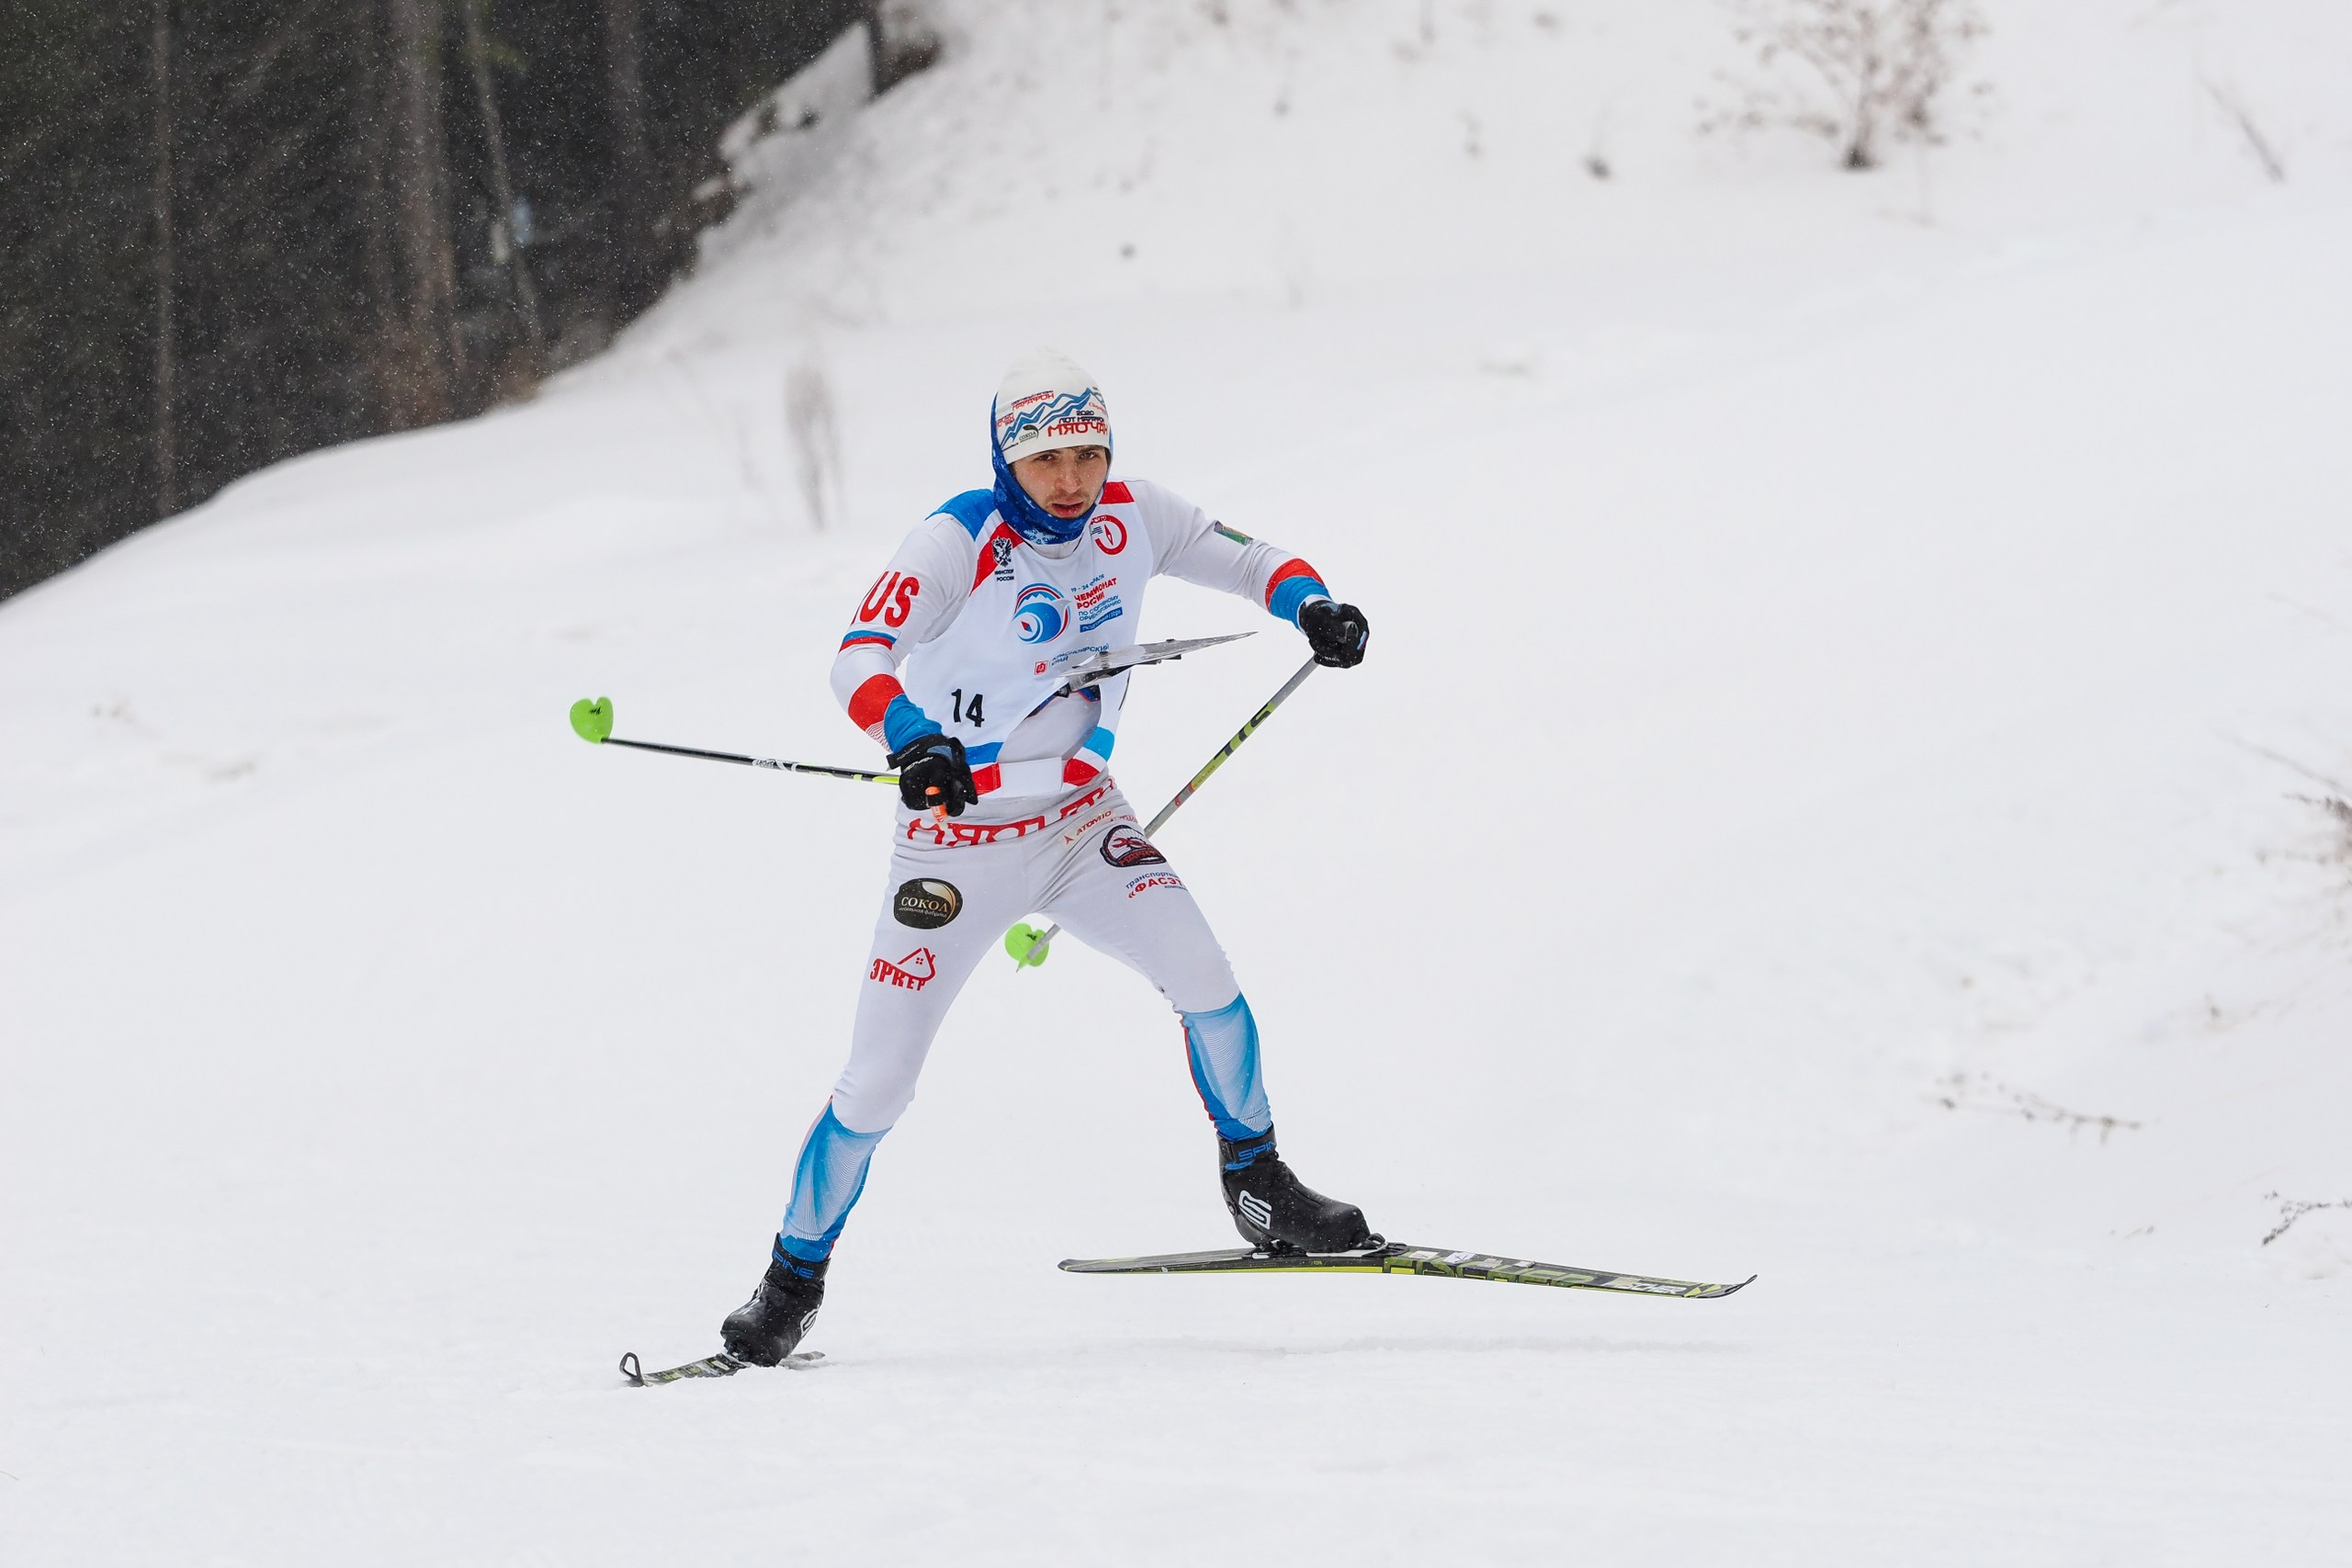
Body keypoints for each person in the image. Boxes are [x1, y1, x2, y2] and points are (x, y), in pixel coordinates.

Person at [720, 348, 1374, 1366]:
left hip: (1080, 825)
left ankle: (1259, 1184)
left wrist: (1314, 608)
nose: (1070, 481)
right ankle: (789, 1282)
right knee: (879, 1082)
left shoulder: (1135, 515)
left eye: (1087, 454)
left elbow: (1255, 562)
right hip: (954, 845)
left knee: (1206, 977)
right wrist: (911, 737)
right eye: (1044, 460)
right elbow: (859, 657)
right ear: (1004, 461)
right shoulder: (956, 539)